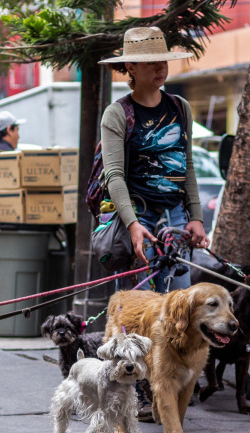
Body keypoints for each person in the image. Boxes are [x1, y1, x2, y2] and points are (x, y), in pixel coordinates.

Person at [99, 26, 209, 293]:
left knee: (178, 310)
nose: (160, 68)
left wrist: (196, 217)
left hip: (175, 220)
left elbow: (188, 165)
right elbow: (114, 176)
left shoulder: (180, 107)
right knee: (137, 314)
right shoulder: (117, 114)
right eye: (151, 63)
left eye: (163, 61)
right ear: (131, 66)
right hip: (137, 218)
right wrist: (132, 224)